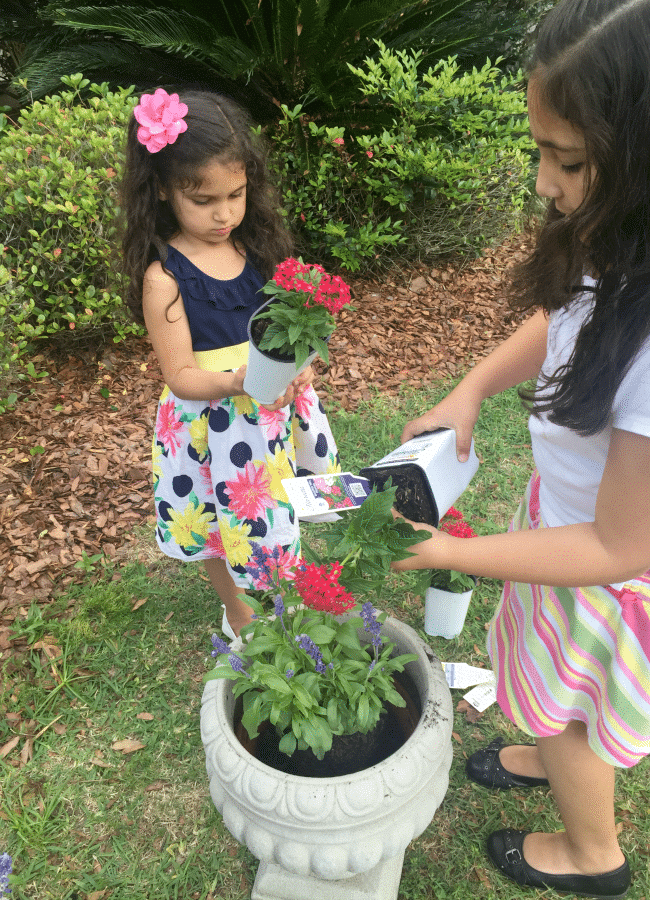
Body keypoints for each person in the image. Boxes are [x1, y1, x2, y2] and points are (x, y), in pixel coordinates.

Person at [396, 0, 650, 896]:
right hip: (562, 531)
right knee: (538, 673)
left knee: (575, 716)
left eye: (568, 160)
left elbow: (622, 545)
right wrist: (471, 387)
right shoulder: (617, 241)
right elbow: (563, 320)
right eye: (539, 150)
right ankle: (547, 752)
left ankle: (591, 855)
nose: (545, 181)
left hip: (606, 579)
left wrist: (455, 553)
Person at [122, 89, 340, 639]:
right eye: (204, 201)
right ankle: (236, 605)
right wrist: (241, 382)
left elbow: (290, 330)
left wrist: (300, 366)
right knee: (217, 521)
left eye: (236, 194)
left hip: (269, 418)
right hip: (212, 424)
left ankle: (276, 582)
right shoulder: (165, 278)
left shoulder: (257, 251)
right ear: (166, 191)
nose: (224, 213)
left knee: (273, 508)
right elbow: (180, 376)